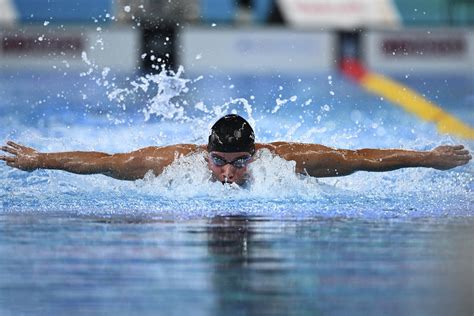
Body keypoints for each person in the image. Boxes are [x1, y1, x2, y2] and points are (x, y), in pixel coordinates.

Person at [0, 114, 471, 185]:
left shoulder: (283, 161)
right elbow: (104, 164)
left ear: (256, 152)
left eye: (239, 163)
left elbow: (361, 160)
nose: (227, 175)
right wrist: (39, 160)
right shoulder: (172, 163)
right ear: (204, 153)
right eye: (219, 162)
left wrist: (428, 156)